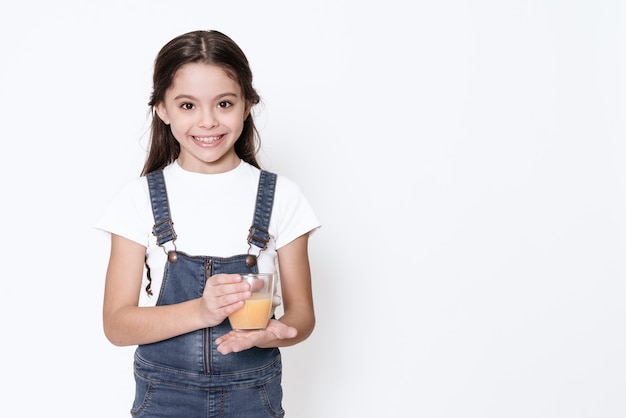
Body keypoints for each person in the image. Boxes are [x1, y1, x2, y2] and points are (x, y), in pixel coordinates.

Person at [96, 29, 320, 417]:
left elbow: (302, 315)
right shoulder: (137, 200)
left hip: (253, 394)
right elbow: (117, 325)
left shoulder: (283, 197)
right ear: (162, 109)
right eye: (187, 106)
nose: (208, 121)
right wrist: (201, 311)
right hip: (164, 397)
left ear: (247, 104)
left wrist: (272, 334)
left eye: (224, 103)